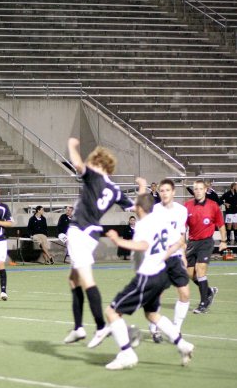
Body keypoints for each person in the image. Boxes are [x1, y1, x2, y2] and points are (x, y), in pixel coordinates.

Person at [104, 193, 194, 370]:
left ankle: (127, 354)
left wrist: (118, 240)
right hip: (161, 274)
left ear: (139, 208)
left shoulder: (143, 224)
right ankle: (182, 344)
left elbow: (143, 245)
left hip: (147, 277)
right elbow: (178, 242)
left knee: (112, 312)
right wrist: (162, 257)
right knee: (151, 315)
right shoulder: (161, 221)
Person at [63, 139, 138, 348]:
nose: (90, 164)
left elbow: (78, 164)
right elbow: (134, 207)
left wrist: (71, 145)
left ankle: (100, 326)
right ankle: (78, 328)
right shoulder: (115, 189)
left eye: (93, 161)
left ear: (99, 164)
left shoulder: (94, 175)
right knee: (73, 279)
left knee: (86, 280)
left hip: (80, 230)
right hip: (93, 232)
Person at [146, 178, 190, 342]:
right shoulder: (154, 210)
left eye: (167, 190)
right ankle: (154, 327)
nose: (164, 193)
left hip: (176, 255)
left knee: (184, 293)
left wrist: (183, 255)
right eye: (161, 190)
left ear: (173, 192)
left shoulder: (181, 210)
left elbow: (180, 233)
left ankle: (176, 329)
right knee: (160, 294)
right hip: (159, 257)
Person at [185, 179, 227, 314]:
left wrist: (223, 241)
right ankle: (209, 291)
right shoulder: (187, 206)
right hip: (192, 243)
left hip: (206, 242)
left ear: (205, 190)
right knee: (190, 274)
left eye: (200, 189)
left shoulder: (213, 205)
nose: (197, 191)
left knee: (200, 269)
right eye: (195, 189)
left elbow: (221, 225)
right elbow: (182, 226)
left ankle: (204, 303)